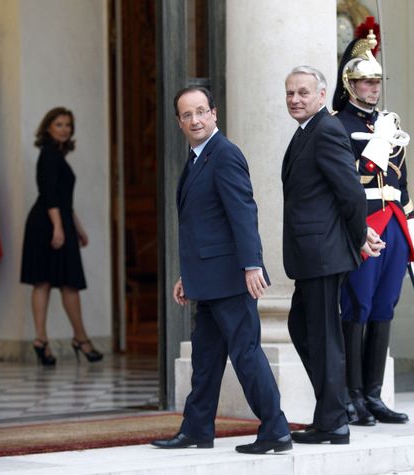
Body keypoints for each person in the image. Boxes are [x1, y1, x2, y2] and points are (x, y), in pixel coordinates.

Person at [151, 86, 291, 454]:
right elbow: (203, 225)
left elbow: (243, 212)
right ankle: (197, 430)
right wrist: (188, 276)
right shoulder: (198, 157)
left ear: (214, 113)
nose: (195, 120)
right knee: (206, 358)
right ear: (179, 122)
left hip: (230, 278)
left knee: (245, 353)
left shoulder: (225, 154)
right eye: (187, 115)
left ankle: (276, 430)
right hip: (208, 279)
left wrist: (252, 264)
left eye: (201, 111)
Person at [282, 66, 381, 445]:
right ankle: (332, 410)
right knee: (301, 328)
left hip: (323, 255)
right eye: (290, 93)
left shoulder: (326, 131)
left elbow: (352, 194)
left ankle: (333, 421)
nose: (295, 99)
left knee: (323, 338)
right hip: (311, 255)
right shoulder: (307, 132)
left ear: (322, 95)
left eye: (303, 92)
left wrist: (358, 237)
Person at [333, 29, 414, 425]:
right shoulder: (336, 125)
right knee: (358, 307)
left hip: (394, 224)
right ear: (349, 84)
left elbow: (403, 183)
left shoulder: (390, 124)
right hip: (364, 225)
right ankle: (352, 395)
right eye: (366, 81)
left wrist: (412, 227)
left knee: (384, 308)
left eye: (376, 81)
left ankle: (374, 395)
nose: (373, 88)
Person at [20, 107, 102, 365]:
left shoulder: (55, 155)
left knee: (59, 282)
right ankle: (71, 339)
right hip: (47, 223)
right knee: (55, 282)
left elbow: (64, 199)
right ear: (48, 128)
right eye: (59, 124)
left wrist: (76, 228)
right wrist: (58, 228)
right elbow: (49, 196)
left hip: (56, 220)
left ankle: (49, 340)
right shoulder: (49, 155)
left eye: (68, 124)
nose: (64, 129)